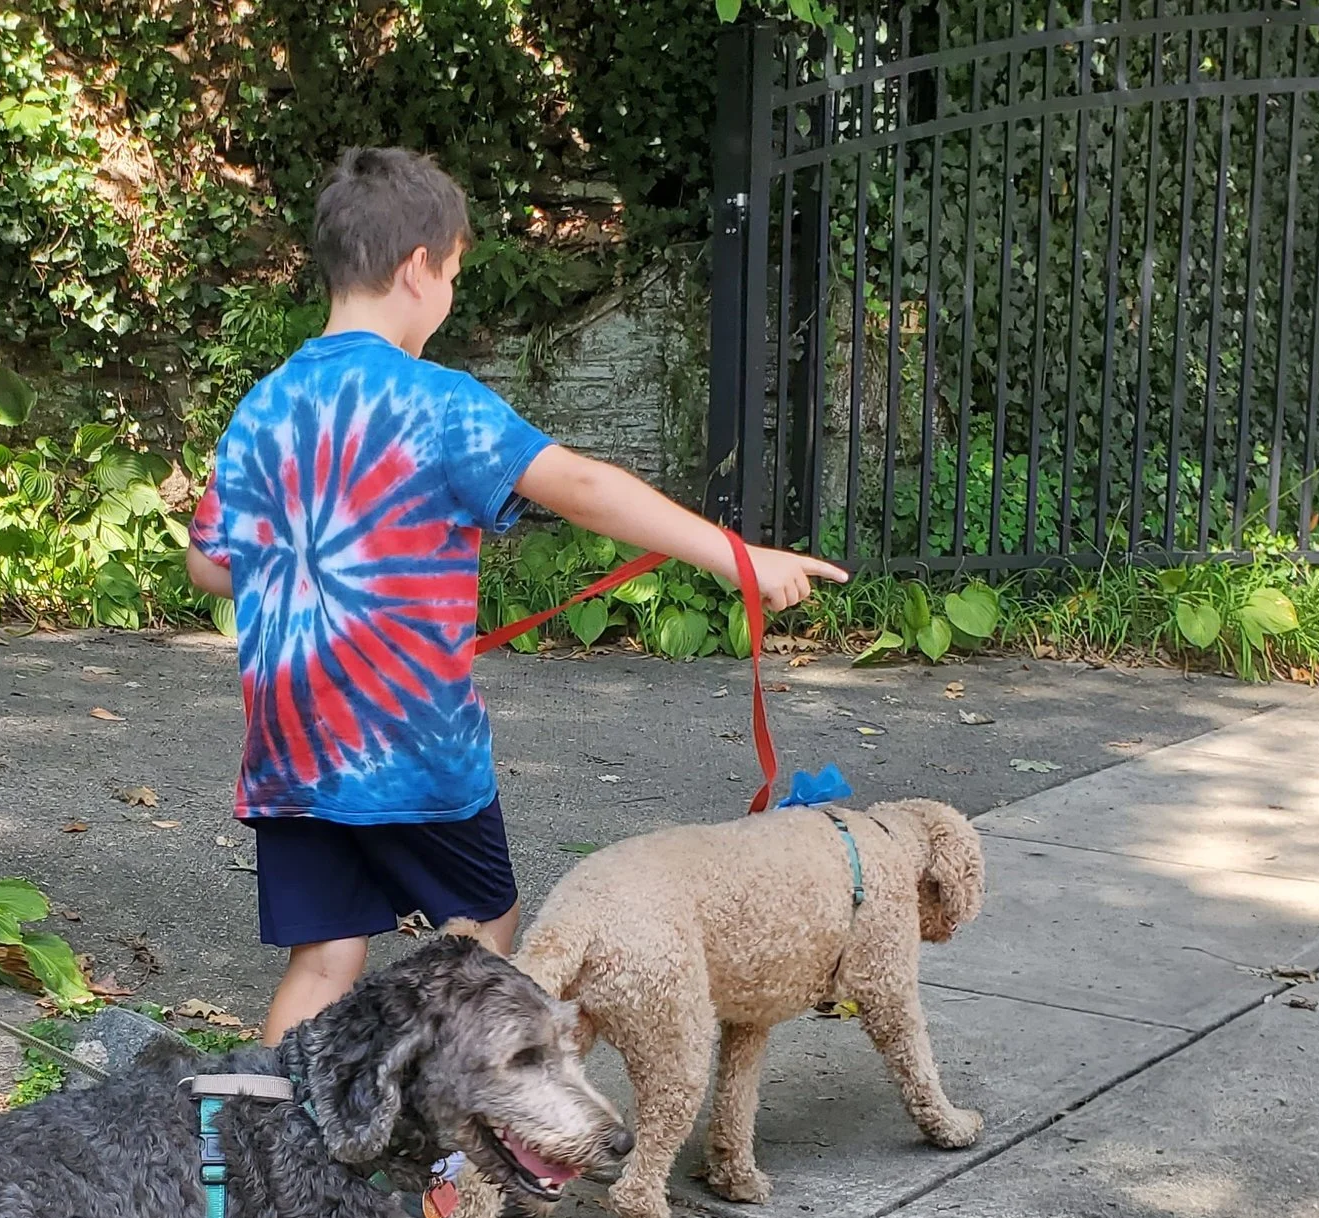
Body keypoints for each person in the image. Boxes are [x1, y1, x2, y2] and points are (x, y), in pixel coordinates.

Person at [187, 147, 848, 1047]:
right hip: (410, 745)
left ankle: (268, 1158)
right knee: (483, 934)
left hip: (291, 749)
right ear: (418, 269)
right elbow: (578, 483)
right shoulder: (437, 403)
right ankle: (454, 1159)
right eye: (453, 274)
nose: (451, 294)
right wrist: (735, 556)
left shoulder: (262, 406)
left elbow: (211, 565)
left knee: (324, 961)